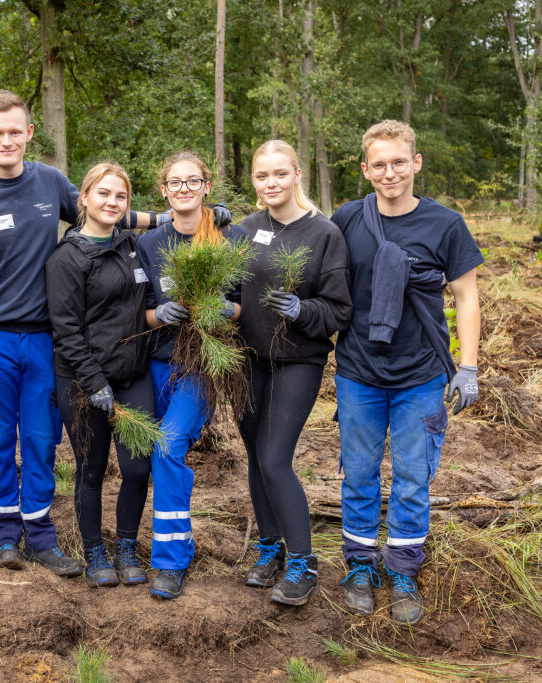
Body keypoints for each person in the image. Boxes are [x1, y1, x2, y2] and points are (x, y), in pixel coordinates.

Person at [0, 90, 167, 578]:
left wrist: (167, 219)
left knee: (41, 440)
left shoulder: (50, 182)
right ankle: (3, 536)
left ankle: (40, 535)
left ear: (29, 133)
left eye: (15, 131)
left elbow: (105, 212)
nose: (6, 140)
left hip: (45, 339)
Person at [331, 120, 482, 626]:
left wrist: (469, 368)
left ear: (416, 163)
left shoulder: (446, 224)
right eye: (379, 164)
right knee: (359, 473)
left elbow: (466, 296)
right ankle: (359, 566)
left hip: (421, 374)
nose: (390, 172)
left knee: (414, 477)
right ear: (365, 170)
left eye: (399, 162)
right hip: (358, 371)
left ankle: (401, 568)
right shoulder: (347, 218)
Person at [236, 140, 351, 606]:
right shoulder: (244, 229)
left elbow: (339, 308)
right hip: (248, 359)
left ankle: (303, 562)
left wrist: (305, 310)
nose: (271, 184)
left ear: (297, 174)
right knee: (254, 455)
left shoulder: (324, 234)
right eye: (262, 177)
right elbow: (228, 286)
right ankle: (270, 550)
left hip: (297, 361)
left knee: (274, 457)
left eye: (280, 175)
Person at [136, 151, 245, 599]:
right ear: (164, 191)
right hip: (154, 364)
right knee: (158, 457)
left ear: (206, 186)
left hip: (200, 367)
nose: (184, 189)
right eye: (175, 183)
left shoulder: (227, 238)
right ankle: (177, 539)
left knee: (168, 445)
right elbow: (138, 312)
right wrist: (158, 315)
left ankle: (170, 562)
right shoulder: (148, 244)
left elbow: (244, 305)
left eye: (192, 181)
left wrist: (227, 310)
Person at [46, 162, 153, 589]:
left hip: (133, 375)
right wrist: (94, 383)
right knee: (91, 469)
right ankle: (93, 550)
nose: (112, 202)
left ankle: (126, 546)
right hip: (81, 380)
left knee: (137, 468)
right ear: (84, 199)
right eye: (103, 194)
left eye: (121, 196)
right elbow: (66, 330)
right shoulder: (67, 258)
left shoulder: (132, 246)